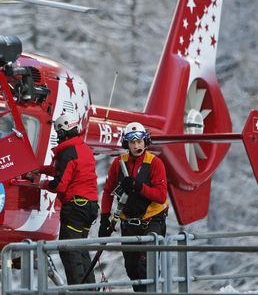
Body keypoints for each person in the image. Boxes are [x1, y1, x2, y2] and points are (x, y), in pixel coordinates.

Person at [98, 122, 168, 292]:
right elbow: (108, 192)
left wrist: (138, 187)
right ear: (126, 144)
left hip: (151, 221)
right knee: (132, 269)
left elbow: (160, 196)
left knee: (147, 267)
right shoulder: (118, 163)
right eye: (132, 142)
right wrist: (104, 218)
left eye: (140, 141)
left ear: (145, 141)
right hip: (128, 223)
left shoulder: (155, 163)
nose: (137, 145)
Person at [37, 111, 99, 286]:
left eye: (58, 133)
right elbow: (68, 170)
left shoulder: (67, 152)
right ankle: (89, 289)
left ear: (63, 132)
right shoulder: (83, 148)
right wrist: (41, 169)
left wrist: (41, 184)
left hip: (75, 207)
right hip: (90, 207)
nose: (58, 136)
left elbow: (60, 184)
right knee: (81, 250)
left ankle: (77, 290)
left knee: (69, 251)